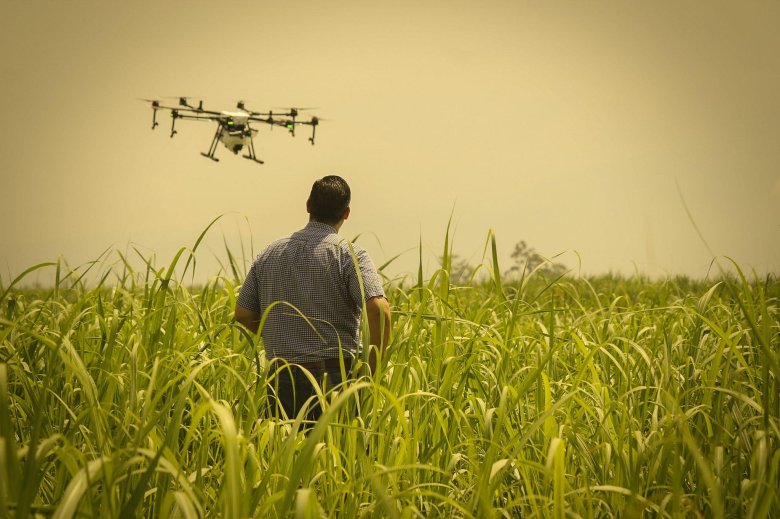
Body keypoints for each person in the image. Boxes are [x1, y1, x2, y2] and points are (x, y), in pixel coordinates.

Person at [234, 175, 391, 421]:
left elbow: (243, 313)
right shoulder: (350, 254)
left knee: (283, 454)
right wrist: (370, 371)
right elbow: (379, 309)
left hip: (282, 374)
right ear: (347, 213)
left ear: (308, 205)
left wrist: (283, 333)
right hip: (335, 377)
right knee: (336, 454)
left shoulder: (269, 253)